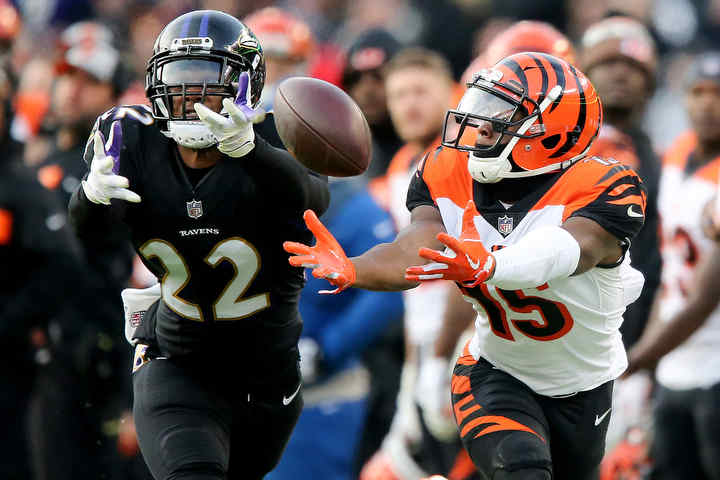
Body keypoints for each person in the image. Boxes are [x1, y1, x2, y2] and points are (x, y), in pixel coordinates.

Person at [285, 52, 647, 479]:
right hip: (494, 370)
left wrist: (490, 265)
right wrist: (355, 267)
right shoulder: (448, 169)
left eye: (503, 113)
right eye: (485, 107)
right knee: (522, 468)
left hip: (585, 387)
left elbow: (568, 250)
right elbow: (413, 249)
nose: (483, 124)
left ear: (549, 133)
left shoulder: (605, 183)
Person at [68, 10, 329, 480]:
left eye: (207, 81)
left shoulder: (278, 132)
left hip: (267, 372)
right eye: (178, 79)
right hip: (177, 359)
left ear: (247, 83)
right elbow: (89, 234)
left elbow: (313, 201)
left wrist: (252, 153)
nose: (189, 97)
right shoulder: (130, 138)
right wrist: (88, 198)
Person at [624, 51, 720, 480]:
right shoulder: (676, 155)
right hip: (675, 365)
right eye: (698, 92)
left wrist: (634, 361)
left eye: (719, 94)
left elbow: (703, 298)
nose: (707, 104)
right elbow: (671, 276)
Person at [268, 177, 403, 480]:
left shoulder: (357, 210)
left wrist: (326, 349)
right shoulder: (266, 196)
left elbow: (387, 294)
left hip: (323, 389)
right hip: (257, 392)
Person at [581, 16, 662, 351]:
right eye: (608, 62)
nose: (619, 73)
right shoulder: (555, 150)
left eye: (632, 65)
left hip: (636, 331)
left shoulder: (662, 159)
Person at [342, 28, 403, 179]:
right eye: (355, 78)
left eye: (378, 76)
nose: (366, 90)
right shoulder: (340, 145)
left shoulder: (432, 140)